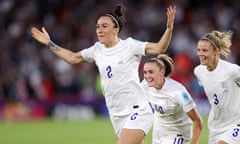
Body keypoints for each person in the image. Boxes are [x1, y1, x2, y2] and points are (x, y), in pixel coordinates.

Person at [31, 3, 176, 144]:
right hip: (116, 114)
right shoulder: (97, 49)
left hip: (138, 110)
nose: (99, 30)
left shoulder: (130, 46)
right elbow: (73, 58)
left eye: (104, 26)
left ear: (116, 29)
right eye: (98, 27)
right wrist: (50, 43)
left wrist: (169, 28)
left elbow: (159, 48)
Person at [141, 54, 203, 144]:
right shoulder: (146, 85)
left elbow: (198, 121)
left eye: (151, 72)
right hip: (158, 134)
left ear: (162, 72)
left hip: (177, 135)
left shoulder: (178, 91)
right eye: (145, 72)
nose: (147, 76)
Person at [194, 30, 240, 144]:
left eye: (205, 50)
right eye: (199, 50)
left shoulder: (231, 71)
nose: (200, 54)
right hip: (215, 126)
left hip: (235, 122)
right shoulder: (199, 71)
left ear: (216, 51)